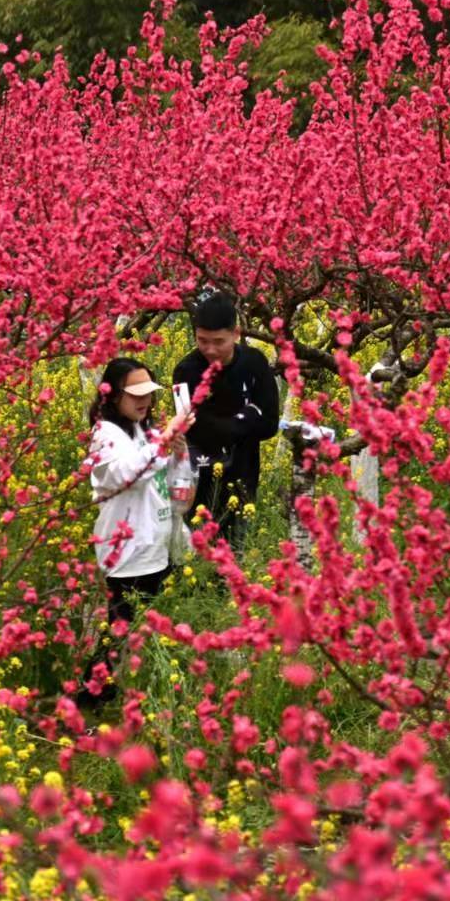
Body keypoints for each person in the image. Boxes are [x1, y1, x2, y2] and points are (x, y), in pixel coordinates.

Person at [81, 357, 190, 708]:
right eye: (135, 394)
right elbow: (127, 473)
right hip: (126, 553)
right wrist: (166, 438)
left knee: (137, 634)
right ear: (113, 397)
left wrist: (178, 453)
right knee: (119, 636)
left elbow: (172, 486)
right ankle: (91, 700)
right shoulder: (104, 436)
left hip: (155, 546)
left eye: (148, 393)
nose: (144, 401)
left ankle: (129, 696)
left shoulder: (144, 431)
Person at [174, 289, 279, 551]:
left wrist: (223, 425)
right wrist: (248, 415)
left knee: (237, 548)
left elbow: (269, 425)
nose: (210, 349)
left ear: (236, 333)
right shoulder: (186, 371)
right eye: (202, 340)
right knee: (197, 554)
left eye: (218, 341)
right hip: (199, 480)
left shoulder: (254, 362)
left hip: (244, 473)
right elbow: (196, 431)